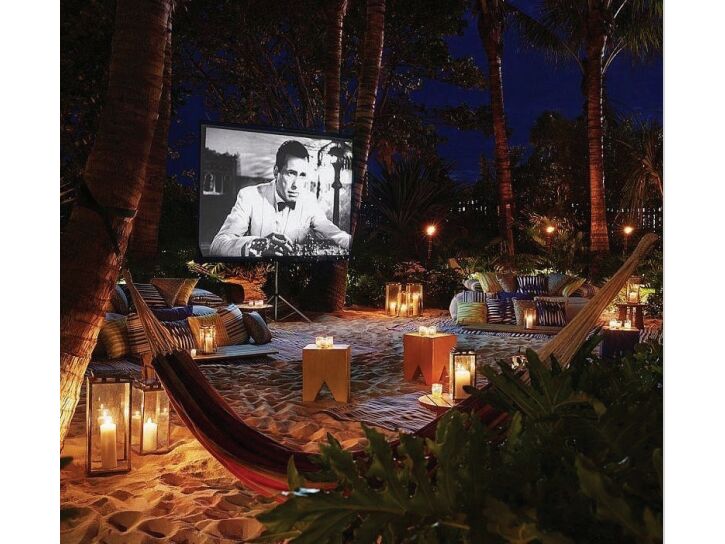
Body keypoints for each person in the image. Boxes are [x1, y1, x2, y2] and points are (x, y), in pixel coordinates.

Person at [209, 140, 351, 257]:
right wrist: (257, 245)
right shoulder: (249, 196)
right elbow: (217, 245)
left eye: (302, 175)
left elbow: (334, 233)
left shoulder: (308, 199)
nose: (296, 184)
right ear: (276, 172)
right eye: (291, 173)